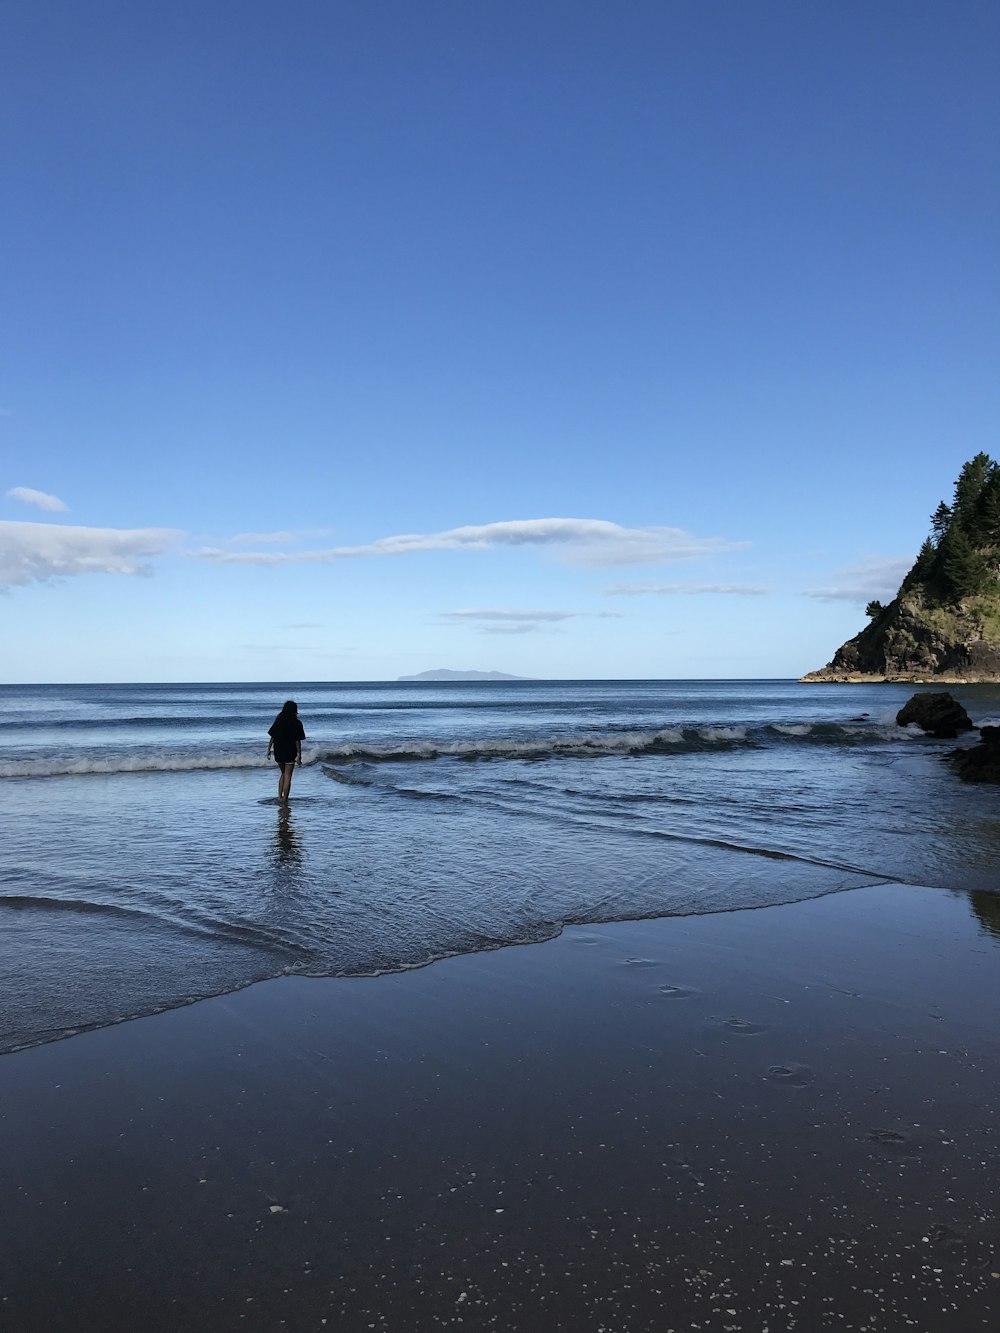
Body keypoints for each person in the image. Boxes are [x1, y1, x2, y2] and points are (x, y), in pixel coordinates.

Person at [266, 700, 305, 802]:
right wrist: (299, 754)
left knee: (282, 773)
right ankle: (285, 799)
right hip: (290, 750)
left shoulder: (278, 720)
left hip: (278, 749)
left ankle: (279, 797)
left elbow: (272, 737)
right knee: (288, 776)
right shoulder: (297, 723)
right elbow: (297, 741)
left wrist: (269, 749)